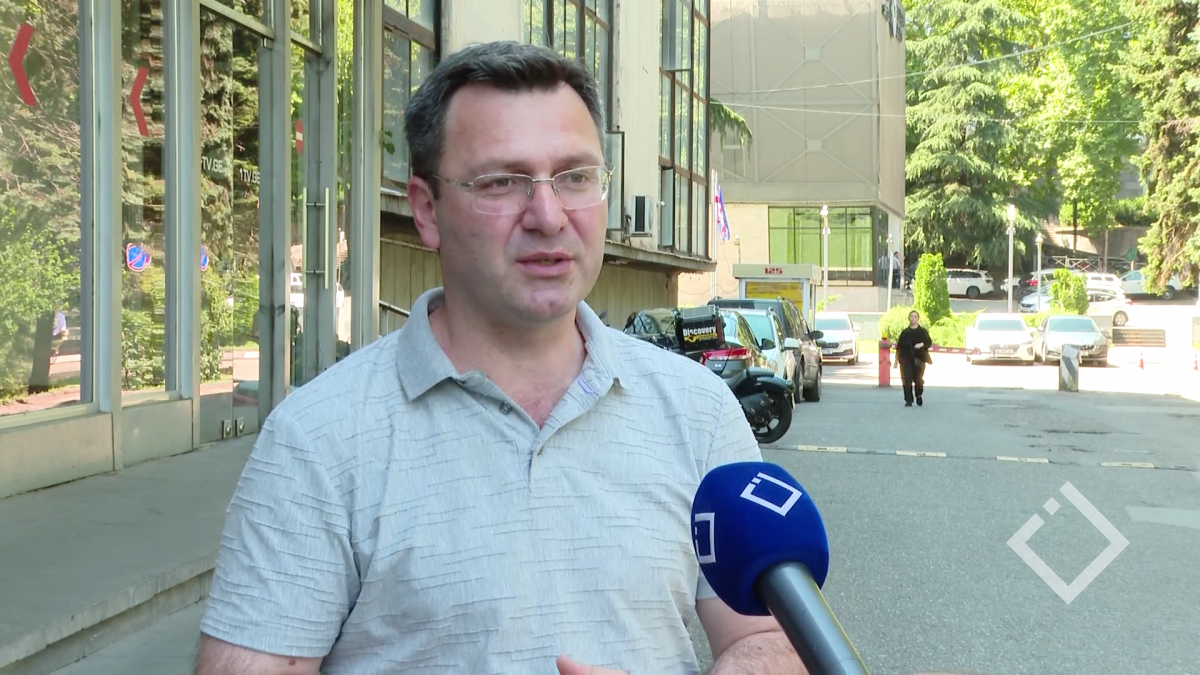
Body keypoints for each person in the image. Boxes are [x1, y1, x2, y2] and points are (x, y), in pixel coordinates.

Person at [193, 42, 805, 675]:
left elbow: (770, 639)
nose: (548, 215)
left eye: (575, 176)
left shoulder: (699, 412)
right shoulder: (317, 439)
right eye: (501, 183)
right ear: (427, 210)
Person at [895, 310, 932, 407]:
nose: (913, 318)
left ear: (918, 319)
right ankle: (908, 400)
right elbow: (899, 346)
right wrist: (896, 359)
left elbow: (928, 342)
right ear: (909, 318)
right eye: (911, 316)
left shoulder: (922, 331)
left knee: (918, 379)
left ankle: (918, 395)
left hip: (919, 358)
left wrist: (921, 344)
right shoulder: (905, 332)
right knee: (906, 379)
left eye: (915, 316)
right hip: (906, 359)